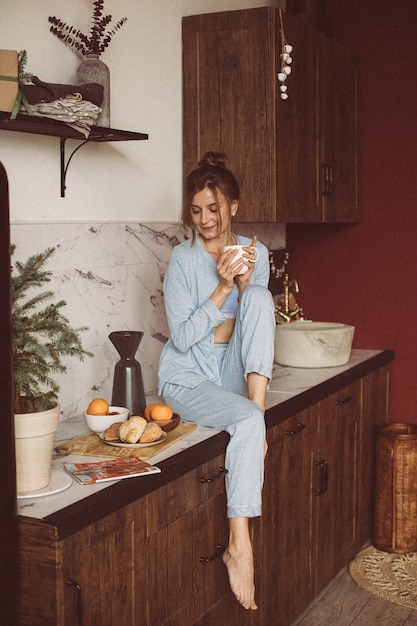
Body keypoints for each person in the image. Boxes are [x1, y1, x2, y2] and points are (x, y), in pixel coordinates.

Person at [158, 152, 275, 610]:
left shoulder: (255, 251)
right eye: (196, 210)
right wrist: (223, 287)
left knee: (262, 297)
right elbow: (183, 339)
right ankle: (239, 546)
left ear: (234, 206)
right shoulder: (183, 260)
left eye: (214, 208)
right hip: (187, 377)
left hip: (231, 375)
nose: (205, 220)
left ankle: (257, 416)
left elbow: (255, 322)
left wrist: (245, 282)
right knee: (244, 422)